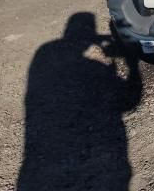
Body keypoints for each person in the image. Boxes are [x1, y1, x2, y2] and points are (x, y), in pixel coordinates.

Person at [18, 13, 142, 191]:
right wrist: (132, 65)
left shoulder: (45, 52)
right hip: (102, 159)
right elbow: (130, 101)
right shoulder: (92, 67)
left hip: (43, 163)